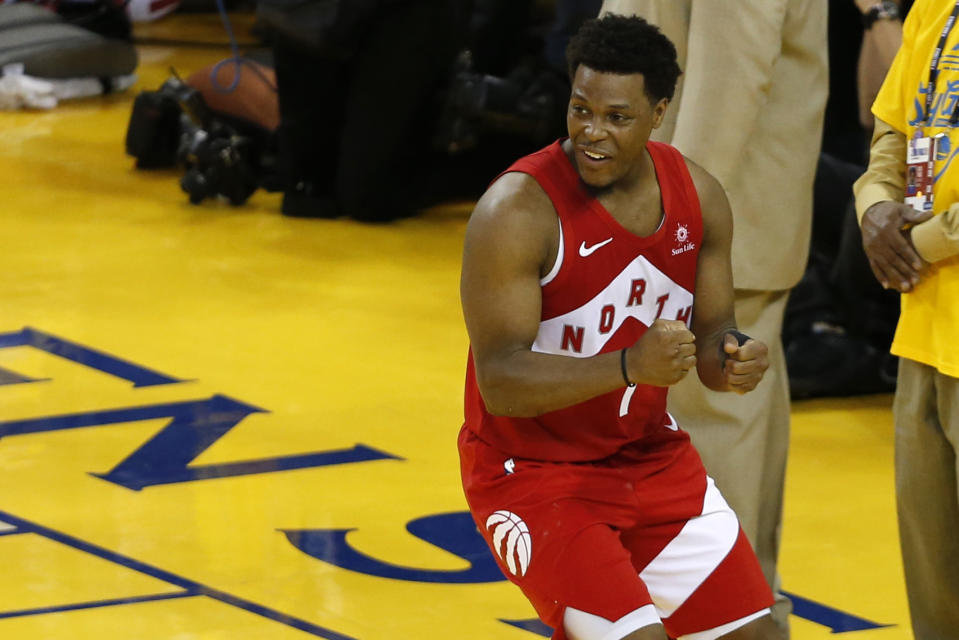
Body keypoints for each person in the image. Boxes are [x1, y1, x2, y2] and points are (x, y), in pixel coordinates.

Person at [458, 14, 783, 640]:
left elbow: (715, 340)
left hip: (648, 456)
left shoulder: (699, 197)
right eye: (580, 110)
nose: (592, 134)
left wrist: (735, 359)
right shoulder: (516, 212)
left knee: (759, 635)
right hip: (534, 473)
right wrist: (629, 366)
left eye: (617, 117)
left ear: (659, 112)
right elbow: (499, 381)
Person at [597, 1, 827, 632]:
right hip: (726, 202)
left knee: (711, 431)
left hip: (716, 210)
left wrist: (672, 214)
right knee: (735, 423)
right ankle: (743, 614)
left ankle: (725, 618)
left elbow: (735, 66)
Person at [853, 0, 959, 636]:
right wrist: (874, 207)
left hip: (923, 270)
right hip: (923, 327)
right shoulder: (935, 10)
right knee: (934, 589)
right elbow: (892, 132)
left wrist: (918, 242)